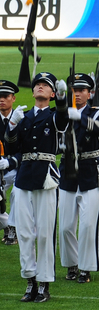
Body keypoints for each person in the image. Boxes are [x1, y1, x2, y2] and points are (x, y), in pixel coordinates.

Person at [5, 73, 69, 303]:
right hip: (24, 178)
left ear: (51, 94)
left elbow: (63, 120)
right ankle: (30, 279)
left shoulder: (53, 115)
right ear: (33, 92)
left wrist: (62, 98)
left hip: (46, 178)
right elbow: (12, 146)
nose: (40, 87)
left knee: (44, 232)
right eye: (37, 85)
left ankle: (44, 283)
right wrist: (12, 126)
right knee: (23, 232)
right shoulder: (24, 116)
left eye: (46, 86)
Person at [58, 73, 99, 284]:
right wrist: (62, 106)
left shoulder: (98, 112)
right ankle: (72, 263)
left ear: (90, 93)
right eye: (74, 90)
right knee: (66, 225)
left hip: (89, 170)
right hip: (68, 170)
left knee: (88, 224)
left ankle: (86, 268)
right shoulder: (62, 113)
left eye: (81, 90)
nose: (77, 94)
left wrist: (80, 117)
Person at [0, 80, 21, 245]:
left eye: (5, 96)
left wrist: (10, 162)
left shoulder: (21, 118)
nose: (2, 99)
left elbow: (27, 149)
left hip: (18, 167)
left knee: (16, 194)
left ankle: (13, 228)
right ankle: (6, 224)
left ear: (13, 98)